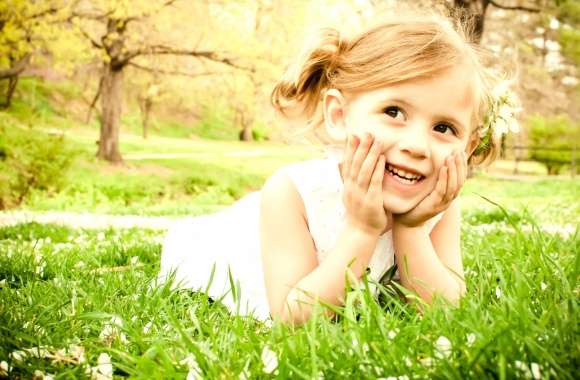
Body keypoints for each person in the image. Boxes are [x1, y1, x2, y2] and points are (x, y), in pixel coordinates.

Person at [158, 10, 519, 325]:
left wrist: (411, 230)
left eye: (444, 128)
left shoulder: (438, 201)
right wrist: (362, 230)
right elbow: (293, 317)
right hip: (255, 249)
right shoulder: (292, 192)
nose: (416, 146)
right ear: (339, 115)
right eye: (394, 112)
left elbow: (448, 312)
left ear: (468, 145)